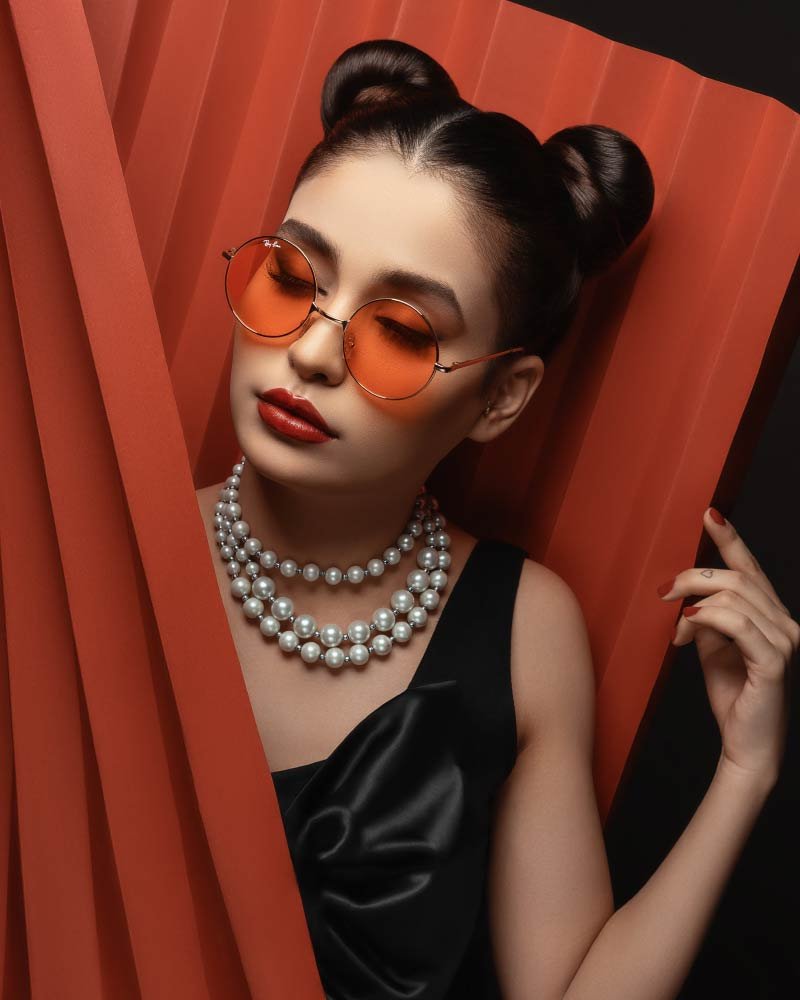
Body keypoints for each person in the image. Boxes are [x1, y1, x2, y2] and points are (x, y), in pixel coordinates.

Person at [195, 38, 795, 1000]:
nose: (309, 354)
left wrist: (745, 771)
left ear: (502, 399)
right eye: (294, 278)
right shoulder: (99, 546)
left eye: (401, 330)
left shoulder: (523, 632)